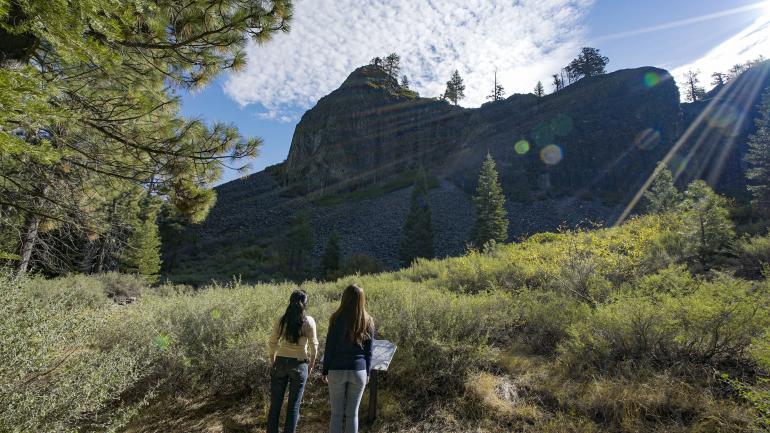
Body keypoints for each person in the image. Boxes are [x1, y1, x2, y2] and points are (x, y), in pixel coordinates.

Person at [322, 284, 375, 433]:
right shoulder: (368, 320)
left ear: (344, 298)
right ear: (362, 300)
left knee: (336, 414)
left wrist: (325, 370)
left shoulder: (335, 318)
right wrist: (368, 373)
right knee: (352, 414)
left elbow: (330, 347)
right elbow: (369, 352)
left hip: (336, 369)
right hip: (359, 370)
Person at [267, 290, 318, 433]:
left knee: (275, 405)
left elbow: (272, 342)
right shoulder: (309, 321)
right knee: (293, 406)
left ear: (290, 301)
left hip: (281, 362)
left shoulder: (282, 319)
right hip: (300, 363)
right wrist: (312, 365)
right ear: (305, 303)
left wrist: (273, 361)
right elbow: (314, 346)